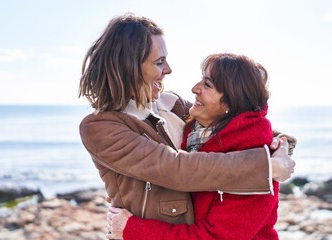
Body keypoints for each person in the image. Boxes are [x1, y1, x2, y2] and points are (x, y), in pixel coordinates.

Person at [78, 13, 296, 232]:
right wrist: (265, 166)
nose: (168, 70)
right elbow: (174, 168)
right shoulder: (101, 127)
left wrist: (278, 144)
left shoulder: (172, 104)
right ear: (130, 66)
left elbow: (230, 122)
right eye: (159, 62)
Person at [107, 53, 283, 239]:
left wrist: (132, 229)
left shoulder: (253, 159)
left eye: (207, 84)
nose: (194, 89)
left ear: (232, 101)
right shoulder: (196, 133)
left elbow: (214, 237)